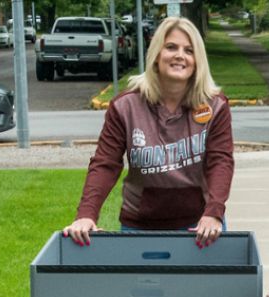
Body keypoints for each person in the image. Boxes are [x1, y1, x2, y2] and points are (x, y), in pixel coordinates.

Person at [63, 17, 234, 248]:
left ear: (198, 60)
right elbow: (105, 163)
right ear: (156, 54)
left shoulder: (215, 106)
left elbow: (220, 162)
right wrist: (86, 214)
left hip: (199, 225)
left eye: (189, 50)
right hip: (139, 226)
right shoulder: (125, 106)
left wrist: (214, 213)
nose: (179, 56)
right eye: (171, 47)